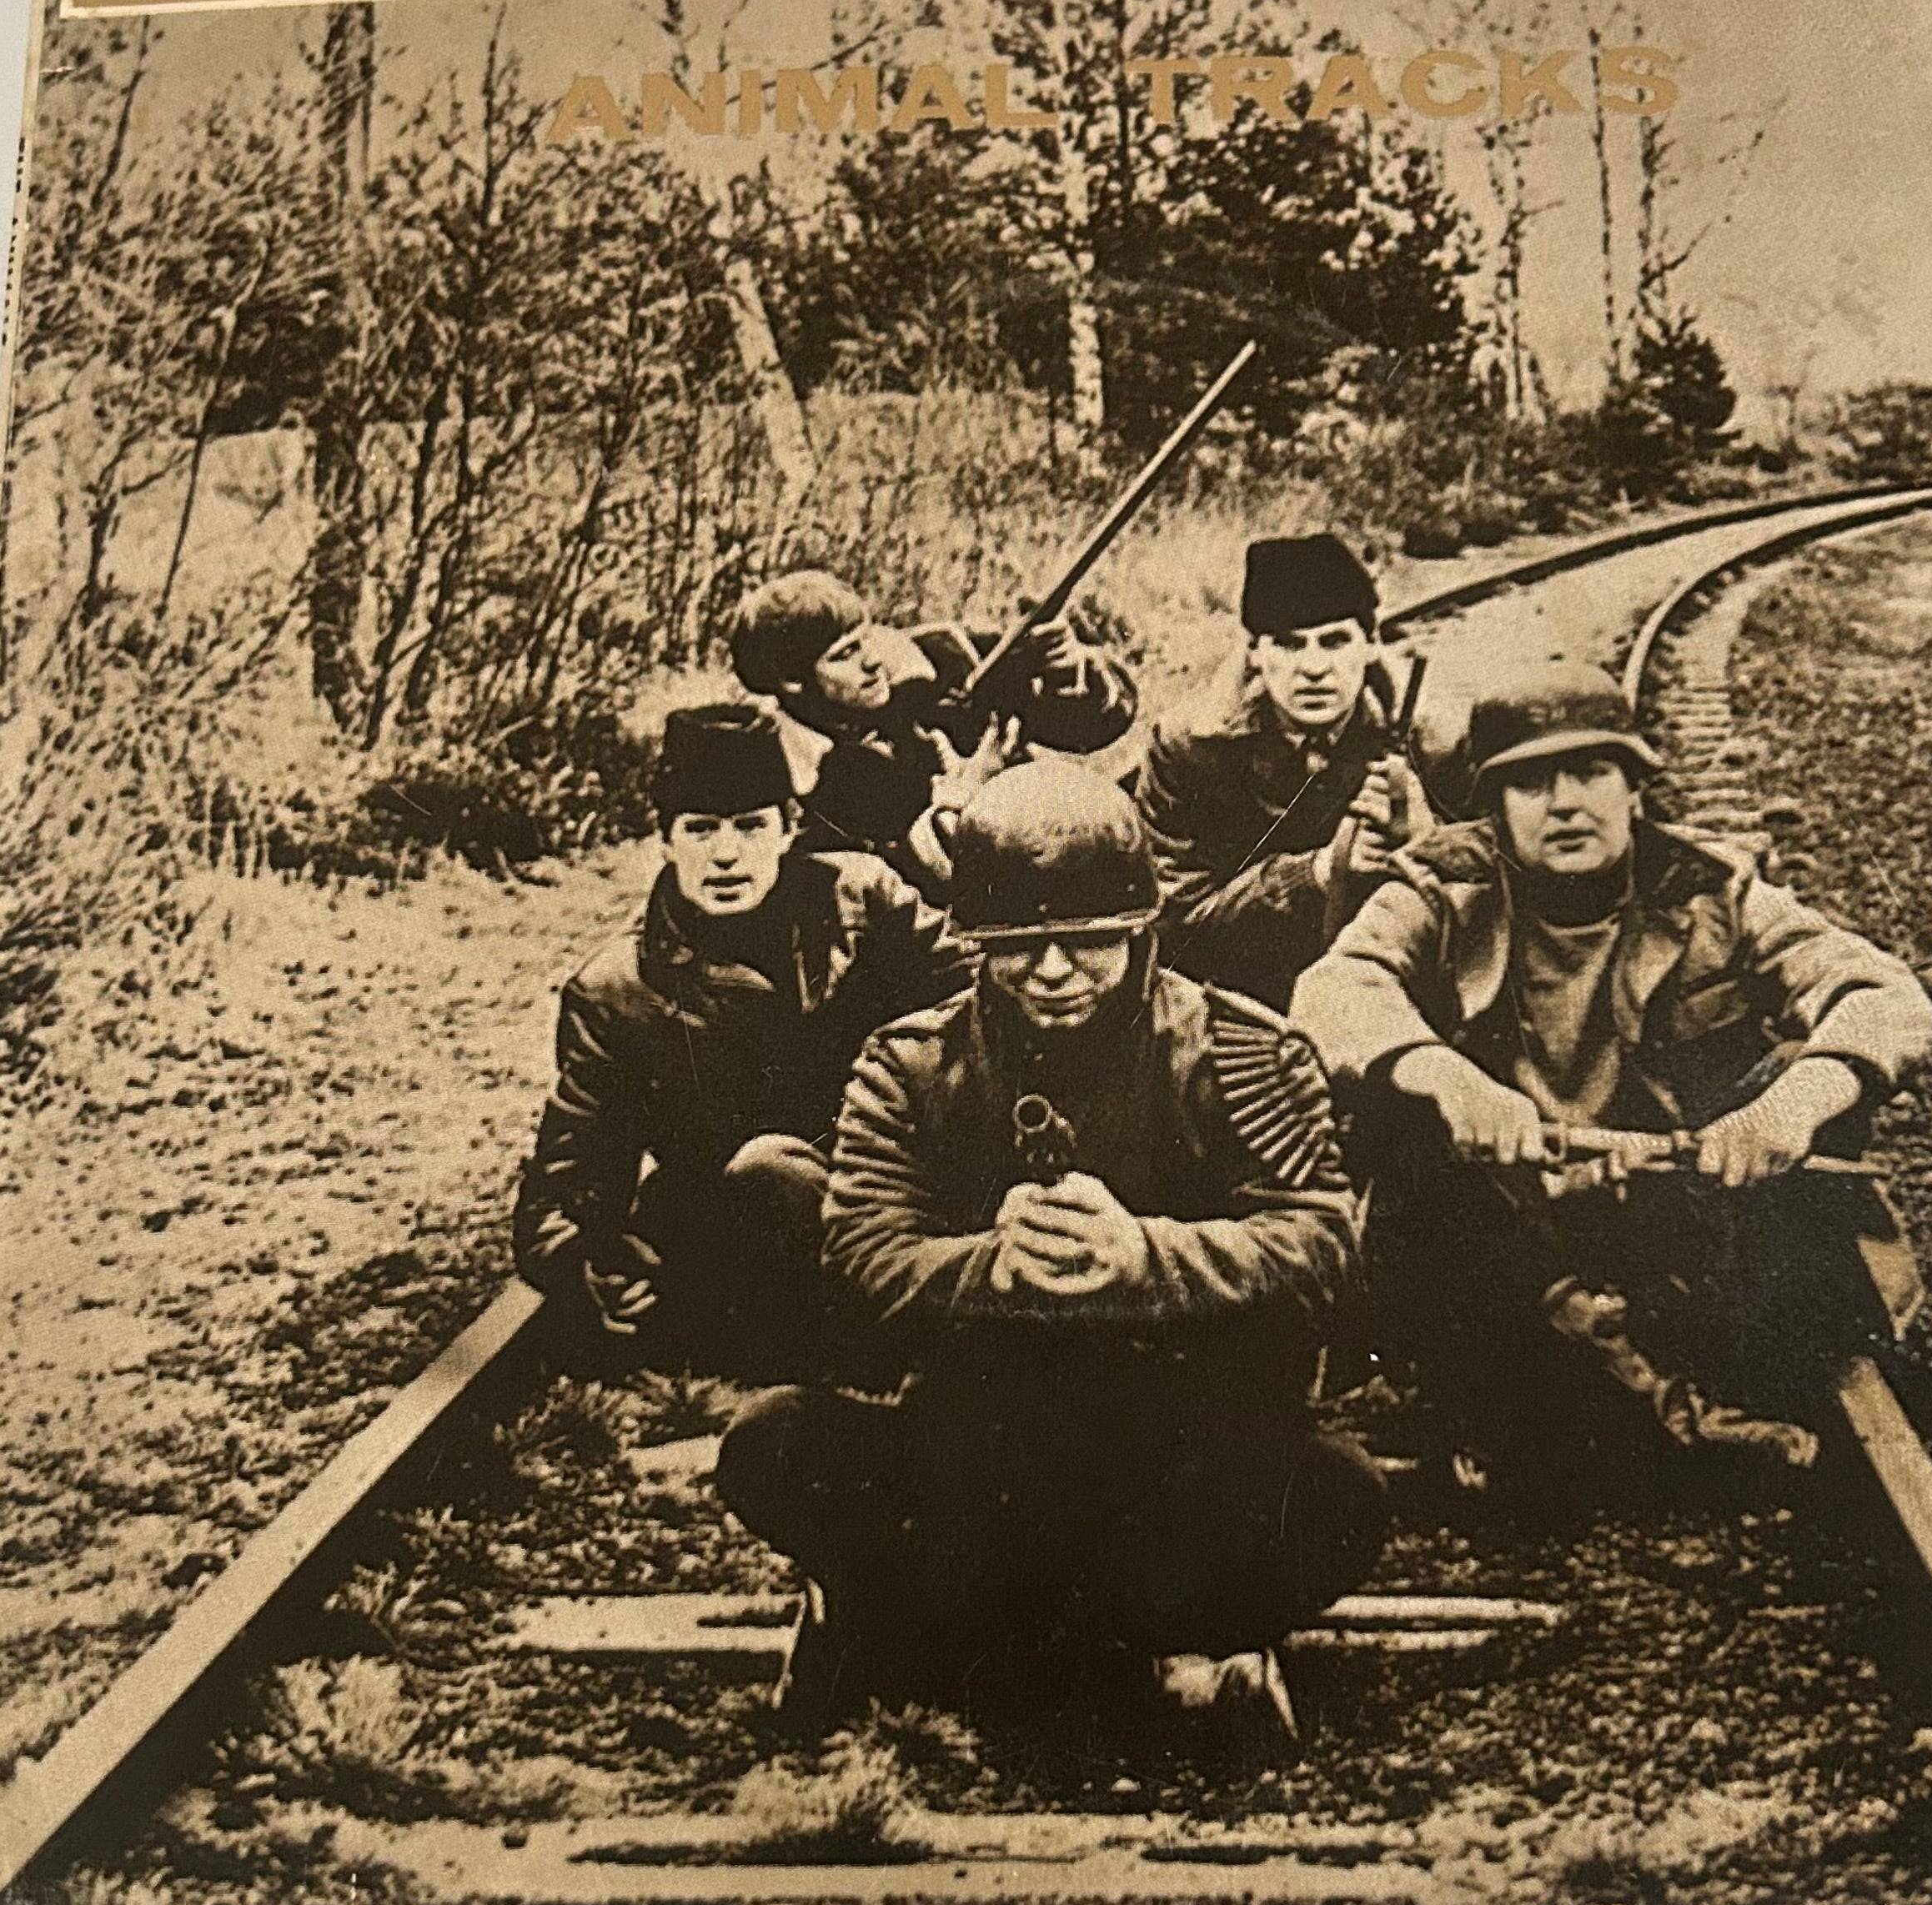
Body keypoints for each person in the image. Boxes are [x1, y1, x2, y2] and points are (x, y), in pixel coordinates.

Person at [715, 760, 1391, 1734]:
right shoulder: (911, 1065)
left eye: (1088, 941)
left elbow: (1320, 1240)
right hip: (975, 1445)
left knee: (1336, 1494)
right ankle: (1082, 1639)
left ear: (1141, 930)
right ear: (976, 944)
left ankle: (1128, 1637)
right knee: (773, 1442)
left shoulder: (1243, 1052)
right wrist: (995, 1264)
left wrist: (1145, 1256)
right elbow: (861, 1244)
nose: (1053, 971)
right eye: (1018, 947)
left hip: (1178, 1445)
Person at [1291, 658, 1932, 1499]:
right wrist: (1446, 1076)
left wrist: (1795, 1103)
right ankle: (1590, 1395)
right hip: (1512, 1219)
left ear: (1635, 789)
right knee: (1401, 1120)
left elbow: (1882, 993)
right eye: (1531, 784)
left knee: (1801, 1085)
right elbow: (1333, 991)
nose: (1565, 804)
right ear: (1494, 808)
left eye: (1592, 772)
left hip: (1674, 1207)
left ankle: (1640, 1379)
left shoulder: (1713, 889)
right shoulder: (1443, 886)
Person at [511, 696, 968, 1393]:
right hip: (742, 1232)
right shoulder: (616, 991)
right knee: (766, 1175)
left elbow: (979, 1007)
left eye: (751, 826)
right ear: (666, 840)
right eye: (700, 830)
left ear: (789, 828)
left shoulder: (863, 899)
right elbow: (565, 1186)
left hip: (896, 1189)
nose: (726, 854)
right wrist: (585, 1267)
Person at [1134, 531, 1443, 1010]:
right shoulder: (1190, 749)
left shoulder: (1426, 736)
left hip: (1388, 977)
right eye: (1289, 645)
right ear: (1255, 653)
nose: (1314, 668)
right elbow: (1172, 921)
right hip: (1238, 992)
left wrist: (1427, 842)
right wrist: (1318, 873)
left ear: (1371, 645)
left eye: (1335, 641)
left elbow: (1497, 888)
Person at [729, 567, 1139, 895]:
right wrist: (972, 793)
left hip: (1047, 844)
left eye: (867, 637)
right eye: (844, 655)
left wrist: (1064, 666)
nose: (872, 661)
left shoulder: (942, 658)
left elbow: (1094, 728)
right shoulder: (787, 774)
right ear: (792, 683)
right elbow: (899, 883)